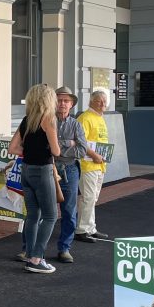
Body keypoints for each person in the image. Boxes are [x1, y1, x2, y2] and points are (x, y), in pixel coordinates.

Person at [8, 83, 62, 273]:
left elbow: (12, 148)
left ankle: (29, 255)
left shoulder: (27, 120)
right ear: (48, 100)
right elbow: (56, 150)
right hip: (42, 170)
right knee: (50, 216)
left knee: (32, 215)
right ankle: (37, 259)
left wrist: (30, 151)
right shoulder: (48, 119)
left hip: (26, 170)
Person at [52, 86, 105, 264]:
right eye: (59, 100)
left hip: (70, 170)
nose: (62, 104)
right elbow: (46, 148)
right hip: (48, 168)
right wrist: (69, 143)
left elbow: (82, 150)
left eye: (66, 101)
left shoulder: (76, 124)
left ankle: (64, 248)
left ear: (72, 104)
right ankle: (32, 250)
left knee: (69, 210)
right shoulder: (46, 122)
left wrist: (58, 148)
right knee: (42, 210)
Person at [76, 89, 110, 243]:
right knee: (88, 197)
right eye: (99, 101)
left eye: (104, 101)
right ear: (91, 102)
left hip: (99, 165)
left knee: (93, 198)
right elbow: (80, 142)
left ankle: (91, 228)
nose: (102, 103)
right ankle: (81, 230)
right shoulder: (85, 118)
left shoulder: (100, 118)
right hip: (88, 164)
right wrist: (94, 155)